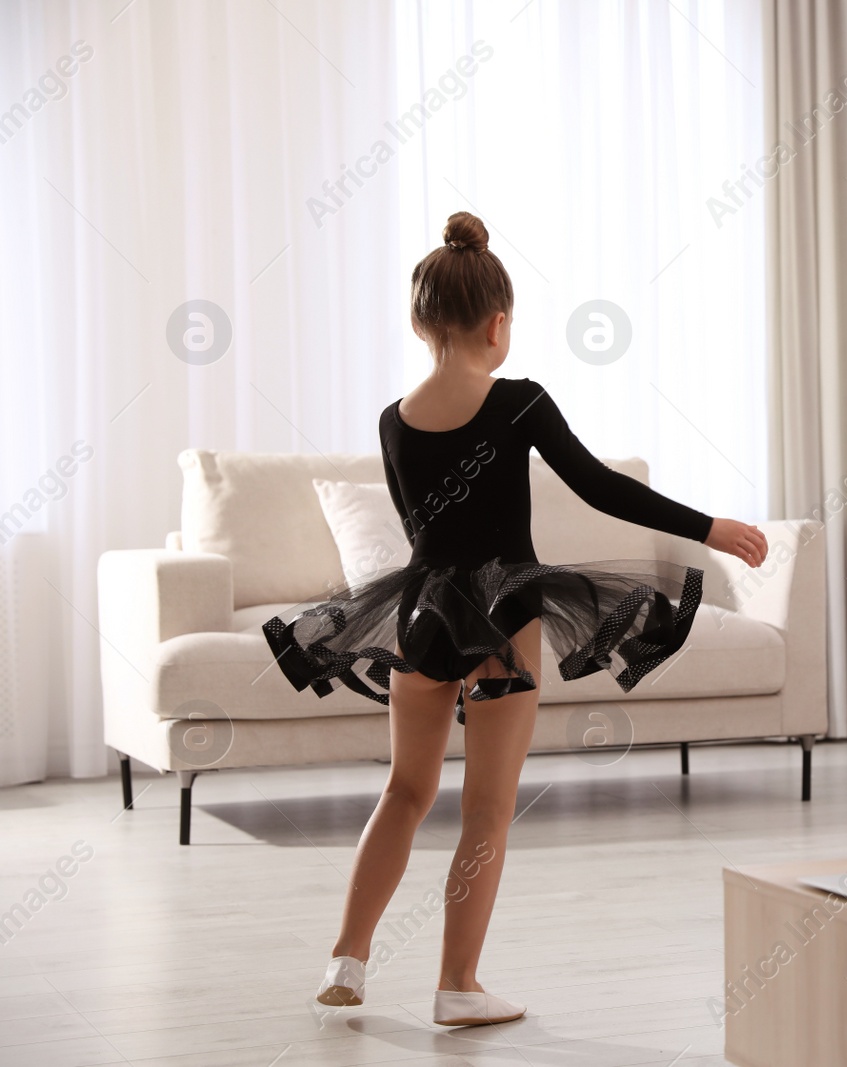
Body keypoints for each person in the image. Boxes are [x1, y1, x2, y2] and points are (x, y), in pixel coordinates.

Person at [262, 211, 768, 1027]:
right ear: (498, 324)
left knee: (403, 790)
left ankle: (347, 960)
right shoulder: (521, 401)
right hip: (504, 616)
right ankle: (458, 983)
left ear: (422, 323)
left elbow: (418, 533)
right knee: (488, 806)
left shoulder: (393, 419)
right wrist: (709, 527)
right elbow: (600, 486)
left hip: (419, 614)